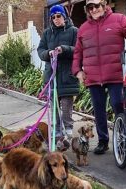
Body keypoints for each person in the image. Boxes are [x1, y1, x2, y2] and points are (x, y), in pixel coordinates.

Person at [72, 0, 126, 154]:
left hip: (113, 74)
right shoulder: (83, 29)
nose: (94, 9)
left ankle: (124, 136)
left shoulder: (118, 19)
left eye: (97, 6)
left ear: (103, 5)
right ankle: (103, 141)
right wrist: (78, 71)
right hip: (93, 77)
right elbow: (78, 52)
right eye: (90, 7)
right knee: (99, 109)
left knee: (118, 106)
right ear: (87, 10)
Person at [37, 4, 79, 138]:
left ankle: (68, 128)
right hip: (52, 75)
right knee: (54, 105)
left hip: (67, 75)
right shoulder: (47, 33)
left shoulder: (74, 31)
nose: (56, 19)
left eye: (58, 16)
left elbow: (78, 50)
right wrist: (48, 53)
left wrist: (65, 49)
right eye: (53, 17)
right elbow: (40, 50)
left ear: (64, 16)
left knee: (67, 104)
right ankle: (56, 129)